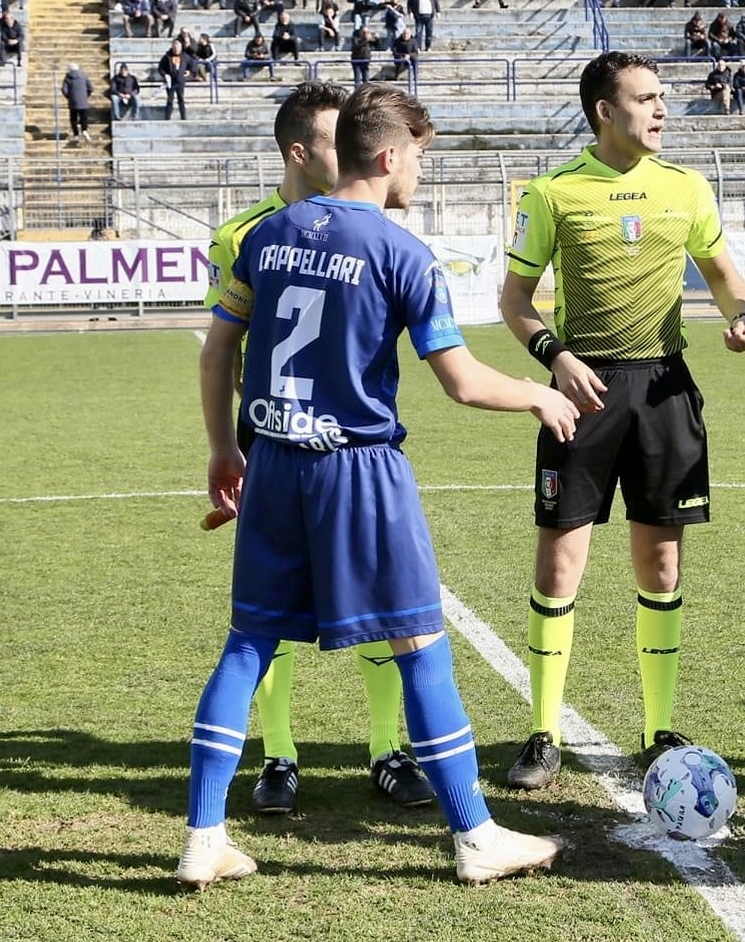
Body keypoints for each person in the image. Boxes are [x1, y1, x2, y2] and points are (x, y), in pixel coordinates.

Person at [182, 80, 577, 890]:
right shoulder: (402, 253)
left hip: (274, 462)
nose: (421, 175)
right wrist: (540, 392)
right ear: (390, 156)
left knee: (249, 643)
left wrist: (226, 450)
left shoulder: (266, 235)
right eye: (422, 158)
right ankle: (475, 837)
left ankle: (202, 838)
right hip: (357, 471)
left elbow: (215, 351)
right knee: (419, 642)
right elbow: (462, 382)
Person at [499, 51, 745, 790]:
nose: (661, 111)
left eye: (662, 99)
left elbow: (721, 275)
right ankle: (544, 732)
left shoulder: (686, 186)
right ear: (603, 111)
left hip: (664, 389)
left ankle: (656, 729)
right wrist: (554, 355)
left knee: (663, 563)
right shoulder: (554, 193)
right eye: (645, 99)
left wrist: (741, 315)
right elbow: (514, 301)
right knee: (558, 564)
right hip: (583, 391)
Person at [200, 82, 443, 815]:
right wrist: (226, 448)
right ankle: (277, 755)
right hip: (272, 440)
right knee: (262, 620)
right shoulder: (244, 234)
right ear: (301, 152)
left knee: (373, 605)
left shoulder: (363, 232)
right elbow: (224, 352)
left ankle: (385, 747)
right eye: (336, 143)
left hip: (342, 436)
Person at [160, 39, 193, 116]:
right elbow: (161, 68)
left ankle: (183, 117)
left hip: (180, 81)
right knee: (170, 100)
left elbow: (192, 64)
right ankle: (167, 117)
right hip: (170, 82)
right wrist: (165, 74)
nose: (176, 49)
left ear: (181, 48)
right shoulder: (167, 57)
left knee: (181, 99)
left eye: (178, 47)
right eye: (174, 47)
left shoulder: (185, 56)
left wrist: (189, 71)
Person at [61, 63, 92, 143]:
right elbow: (90, 88)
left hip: (73, 101)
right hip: (83, 100)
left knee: (73, 118)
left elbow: (64, 90)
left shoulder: (67, 78)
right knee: (83, 117)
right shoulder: (84, 76)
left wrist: (69, 97)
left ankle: (76, 134)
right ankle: (84, 130)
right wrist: (86, 95)